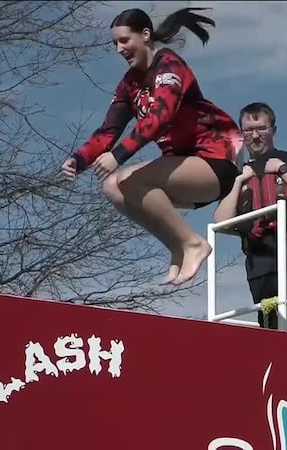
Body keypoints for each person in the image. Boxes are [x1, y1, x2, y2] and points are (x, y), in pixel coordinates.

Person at [61, 8, 242, 286]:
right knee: (112, 186)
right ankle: (177, 245)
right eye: (115, 44)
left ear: (145, 35)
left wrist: (119, 155)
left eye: (124, 40)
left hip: (214, 163)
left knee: (132, 181)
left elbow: (161, 115)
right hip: (182, 168)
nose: (120, 49)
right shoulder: (129, 85)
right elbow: (108, 130)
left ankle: (194, 244)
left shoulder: (169, 66)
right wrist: (79, 159)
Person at [213, 102, 287, 336]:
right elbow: (220, 222)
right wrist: (237, 181)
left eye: (261, 128)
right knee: (272, 332)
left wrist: (282, 169)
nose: (255, 135)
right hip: (262, 266)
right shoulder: (237, 174)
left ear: (273, 130)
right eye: (248, 130)